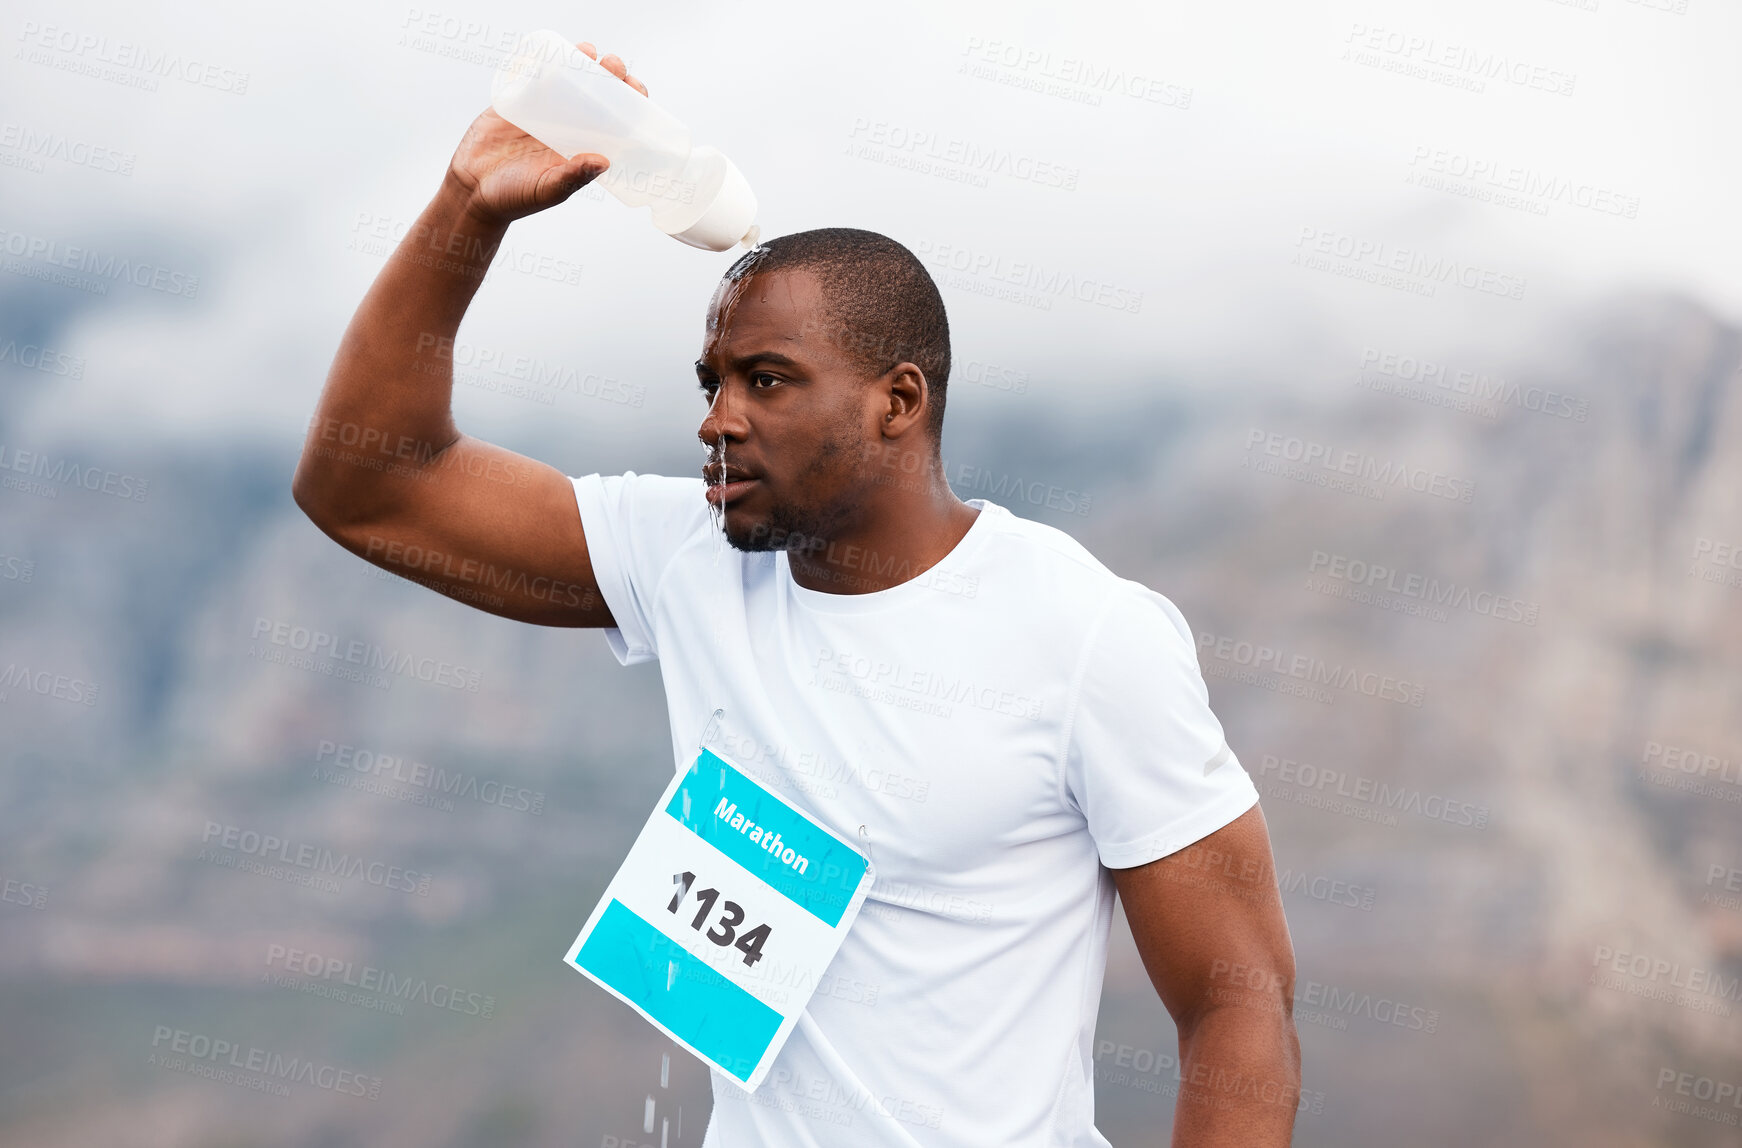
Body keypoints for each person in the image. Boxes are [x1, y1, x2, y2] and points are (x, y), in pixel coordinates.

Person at [292, 40, 1301, 1148]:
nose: (717, 418)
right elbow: (369, 481)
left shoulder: (1083, 636)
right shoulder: (690, 554)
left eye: (765, 379)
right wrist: (464, 209)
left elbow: (1235, 998)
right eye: (711, 380)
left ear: (896, 400)